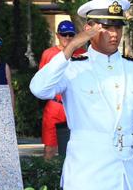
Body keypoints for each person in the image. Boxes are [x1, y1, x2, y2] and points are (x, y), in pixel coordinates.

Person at [30, 0, 133, 190]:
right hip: (86, 176)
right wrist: (71, 47)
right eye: (106, 27)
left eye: (118, 27)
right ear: (89, 29)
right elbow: (39, 88)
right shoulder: (72, 68)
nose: (114, 34)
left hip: (127, 176)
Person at [39, 20, 86, 160]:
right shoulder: (48, 54)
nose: (67, 38)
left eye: (71, 35)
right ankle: (47, 181)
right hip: (55, 105)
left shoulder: (83, 54)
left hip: (76, 105)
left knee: (79, 148)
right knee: (50, 149)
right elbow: (42, 81)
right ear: (57, 35)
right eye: (64, 34)